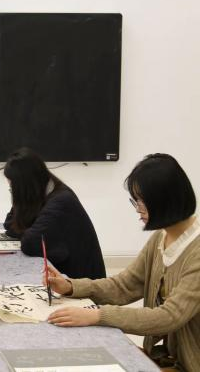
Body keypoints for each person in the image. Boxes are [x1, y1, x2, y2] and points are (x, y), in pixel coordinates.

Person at [46, 154, 200, 371]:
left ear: (165, 200)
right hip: (162, 358)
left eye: (141, 201)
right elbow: (125, 285)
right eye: (135, 200)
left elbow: (169, 316)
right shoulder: (160, 238)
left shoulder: (195, 251)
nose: (137, 208)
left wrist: (97, 315)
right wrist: (71, 286)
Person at [3, 147, 106, 279]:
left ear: (26, 187)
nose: (13, 193)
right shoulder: (41, 192)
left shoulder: (61, 201)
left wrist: (26, 228)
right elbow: (9, 224)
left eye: (14, 188)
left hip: (81, 283)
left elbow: (30, 244)